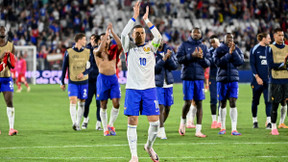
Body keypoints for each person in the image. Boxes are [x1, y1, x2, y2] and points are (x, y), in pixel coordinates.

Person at [121, 2, 162, 162]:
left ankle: (149, 146)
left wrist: (147, 20)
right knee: (132, 121)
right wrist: (134, 18)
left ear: (145, 35)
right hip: (132, 89)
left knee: (155, 124)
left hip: (149, 89)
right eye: (137, 33)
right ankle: (134, 155)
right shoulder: (128, 48)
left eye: (142, 33)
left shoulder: (152, 48)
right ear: (133, 35)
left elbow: (158, 36)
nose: (139, 35)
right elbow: (123, 35)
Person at [177, 27, 210, 138]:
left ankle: (198, 130)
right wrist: (192, 56)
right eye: (194, 32)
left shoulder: (204, 47)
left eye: (198, 32)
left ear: (201, 35)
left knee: (199, 103)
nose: (196, 34)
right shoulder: (184, 45)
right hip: (188, 77)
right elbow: (179, 59)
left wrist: (201, 58)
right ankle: (182, 123)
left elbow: (208, 63)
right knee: (187, 102)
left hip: (199, 78)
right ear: (190, 33)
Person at [213, 33, 244, 136]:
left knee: (233, 102)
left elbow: (240, 62)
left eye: (231, 38)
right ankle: (222, 127)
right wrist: (229, 54)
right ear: (224, 39)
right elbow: (218, 63)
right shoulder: (219, 49)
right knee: (222, 103)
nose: (230, 40)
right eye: (228, 38)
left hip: (233, 79)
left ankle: (234, 129)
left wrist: (233, 51)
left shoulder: (237, 49)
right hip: (222, 79)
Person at [94, 23, 122, 136]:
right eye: (103, 39)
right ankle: (105, 128)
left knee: (116, 103)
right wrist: (105, 35)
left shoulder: (114, 50)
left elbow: (120, 44)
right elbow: (100, 49)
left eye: (107, 38)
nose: (106, 40)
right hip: (102, 79)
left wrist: (112, 33)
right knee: (103, 104)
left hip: (113, 79)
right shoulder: (97, 51)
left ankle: (110, 125)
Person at [60, 33, 90, 131]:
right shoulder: (69, 52)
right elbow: (64, 67)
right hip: (72, 81)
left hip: (84, 82)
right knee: (72, 101)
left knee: (82, 103)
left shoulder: (87, 52)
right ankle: (74, 123)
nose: (85, 41)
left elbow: (91, 67)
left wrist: (84, 73)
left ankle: (78, 122)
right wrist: (62, 81)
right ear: (79, 40)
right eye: (84, 39)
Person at [266, 28, 288, 135]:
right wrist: (283, 64)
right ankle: (273, 128)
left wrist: (283, 65)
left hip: (286, 80)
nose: (281, 37)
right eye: (279, 35)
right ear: (274, 36)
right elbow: (270, 65)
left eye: (282, 35)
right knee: (275, 104)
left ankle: (282, 123)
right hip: (275, 80)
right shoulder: (270, 48)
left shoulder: (287, 48)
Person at [155, 42, 178, 139]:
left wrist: (168, 58)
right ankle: (161, 129)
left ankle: (157, 127)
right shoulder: (152, 53)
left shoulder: (169, 51)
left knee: (168, 108)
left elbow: (174, 66)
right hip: (157, 84)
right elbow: (155, 69)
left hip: (168, 84)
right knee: (160, 106)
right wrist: (163, 59)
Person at [250, 33, 272, 129]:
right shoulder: (255, 49)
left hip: (268, 81)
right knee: (255, 102)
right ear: (263, 39)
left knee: (268, 101)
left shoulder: (270, 49)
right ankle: (255, 121)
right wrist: (257, 77)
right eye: (268, 38)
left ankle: (269, 122)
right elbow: (252, 64)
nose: (270, 40)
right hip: (257, 81)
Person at [81, 34, 102, 130]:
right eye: (91, 39)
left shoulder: (100, 50)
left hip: (98, 80)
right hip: (89, 81)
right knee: (87, 102)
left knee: (99, 103)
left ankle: (98, 123)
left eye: (94, 39)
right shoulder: (86, 50)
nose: (93, 40)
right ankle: (85, 119)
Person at [0, 25, 18, 135]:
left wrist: (9, 60)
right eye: (1, 30)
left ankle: (11, 128)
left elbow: (12, 65)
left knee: (9, 101)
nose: (2, 31)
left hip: (6, 78)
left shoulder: (11, 46)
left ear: (6, 32)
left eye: (4, 30)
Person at [208, 35, 221, 129]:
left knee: (221, 99)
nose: (213, 44)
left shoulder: (223, 50)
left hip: (221, 77)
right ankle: (214, 120)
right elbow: (211, 62)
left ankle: (220, 120)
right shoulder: (209, 52)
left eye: (214, 42)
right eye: (211, 42)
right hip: (212, 77)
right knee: (213, 98)